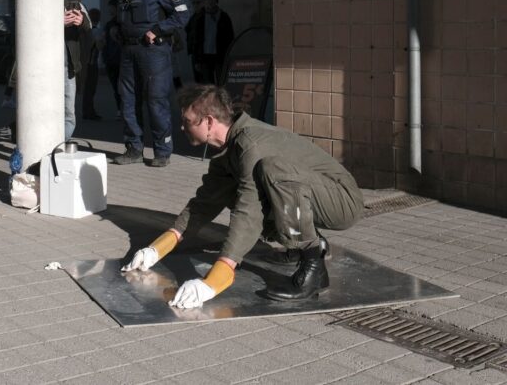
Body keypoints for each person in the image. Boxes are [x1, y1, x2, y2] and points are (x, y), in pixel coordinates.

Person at [121, 85, 364, 306]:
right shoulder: (227, 151)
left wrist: (214, 280)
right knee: (233, 189)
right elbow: (203, 205)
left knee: (271, 172)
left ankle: (314, 267)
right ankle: (306, 245)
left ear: (209, 121)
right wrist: (156, 249)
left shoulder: (250, 146)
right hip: (313, 194)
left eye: (187, 121)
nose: (182, 127)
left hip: (342, 200)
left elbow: (248, 212)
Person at [113, 0, 189, 167]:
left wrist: (157, 30)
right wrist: (115, 29)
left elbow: (183, 14)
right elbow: (121, 15)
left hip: (154, 52)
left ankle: (162, 151)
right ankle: (134, 149)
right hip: (128, 51)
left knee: (156, 100)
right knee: (128, 101)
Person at [64, 0, 92, 141]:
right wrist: (58, 21)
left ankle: (61, 142)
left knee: (69, 110)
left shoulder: (79, 6)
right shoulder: (53, 0)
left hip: (70, 65)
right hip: (49, 64)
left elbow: (88, 25)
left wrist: (81, 21)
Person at [188, 0, 234, 85]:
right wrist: (197, 60)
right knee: (208, 83)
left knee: (221, 80)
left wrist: (228, 55)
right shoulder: (200, 18)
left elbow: (230, 37)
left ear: (216, 1)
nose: (210, 1)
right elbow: (196, 40)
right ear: (205, 1)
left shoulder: (223, 16)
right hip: (204, 56)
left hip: (220, 55)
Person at [81, 8, 104, 121]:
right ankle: (89, 112)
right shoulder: (97, 31)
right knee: (91, 89)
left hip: (85, 62)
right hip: (92, 63)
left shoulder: (85, 30)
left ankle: (87, 111)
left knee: (87, 89)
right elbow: (99, 46)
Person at [102, 0, 123, 117]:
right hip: (111, 60)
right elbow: (105, 42)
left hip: (120, 59)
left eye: (112, 8)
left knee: (121, 87)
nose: (110, 10)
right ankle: (120, 109)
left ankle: (123, 109)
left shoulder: (123, 23)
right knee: (116, 87)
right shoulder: (109, 24)